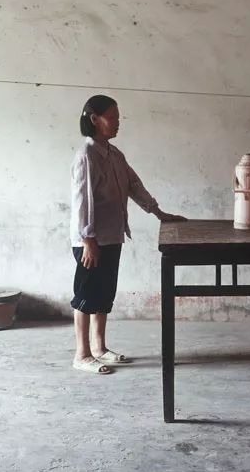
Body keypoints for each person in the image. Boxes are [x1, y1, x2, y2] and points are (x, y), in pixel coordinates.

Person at [70, 95, 186, 374]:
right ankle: (81, 354)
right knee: (85, 295)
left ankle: (99, 348)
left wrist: (158, 212)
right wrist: (88, 240)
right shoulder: (86, 155)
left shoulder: (114, 155)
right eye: (112, 117)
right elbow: (82, 201)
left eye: (118, 117)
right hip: (91, 241)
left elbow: (134, 185)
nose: (118, 122)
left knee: (103, 293)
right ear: (95, 119)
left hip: (112, 236)